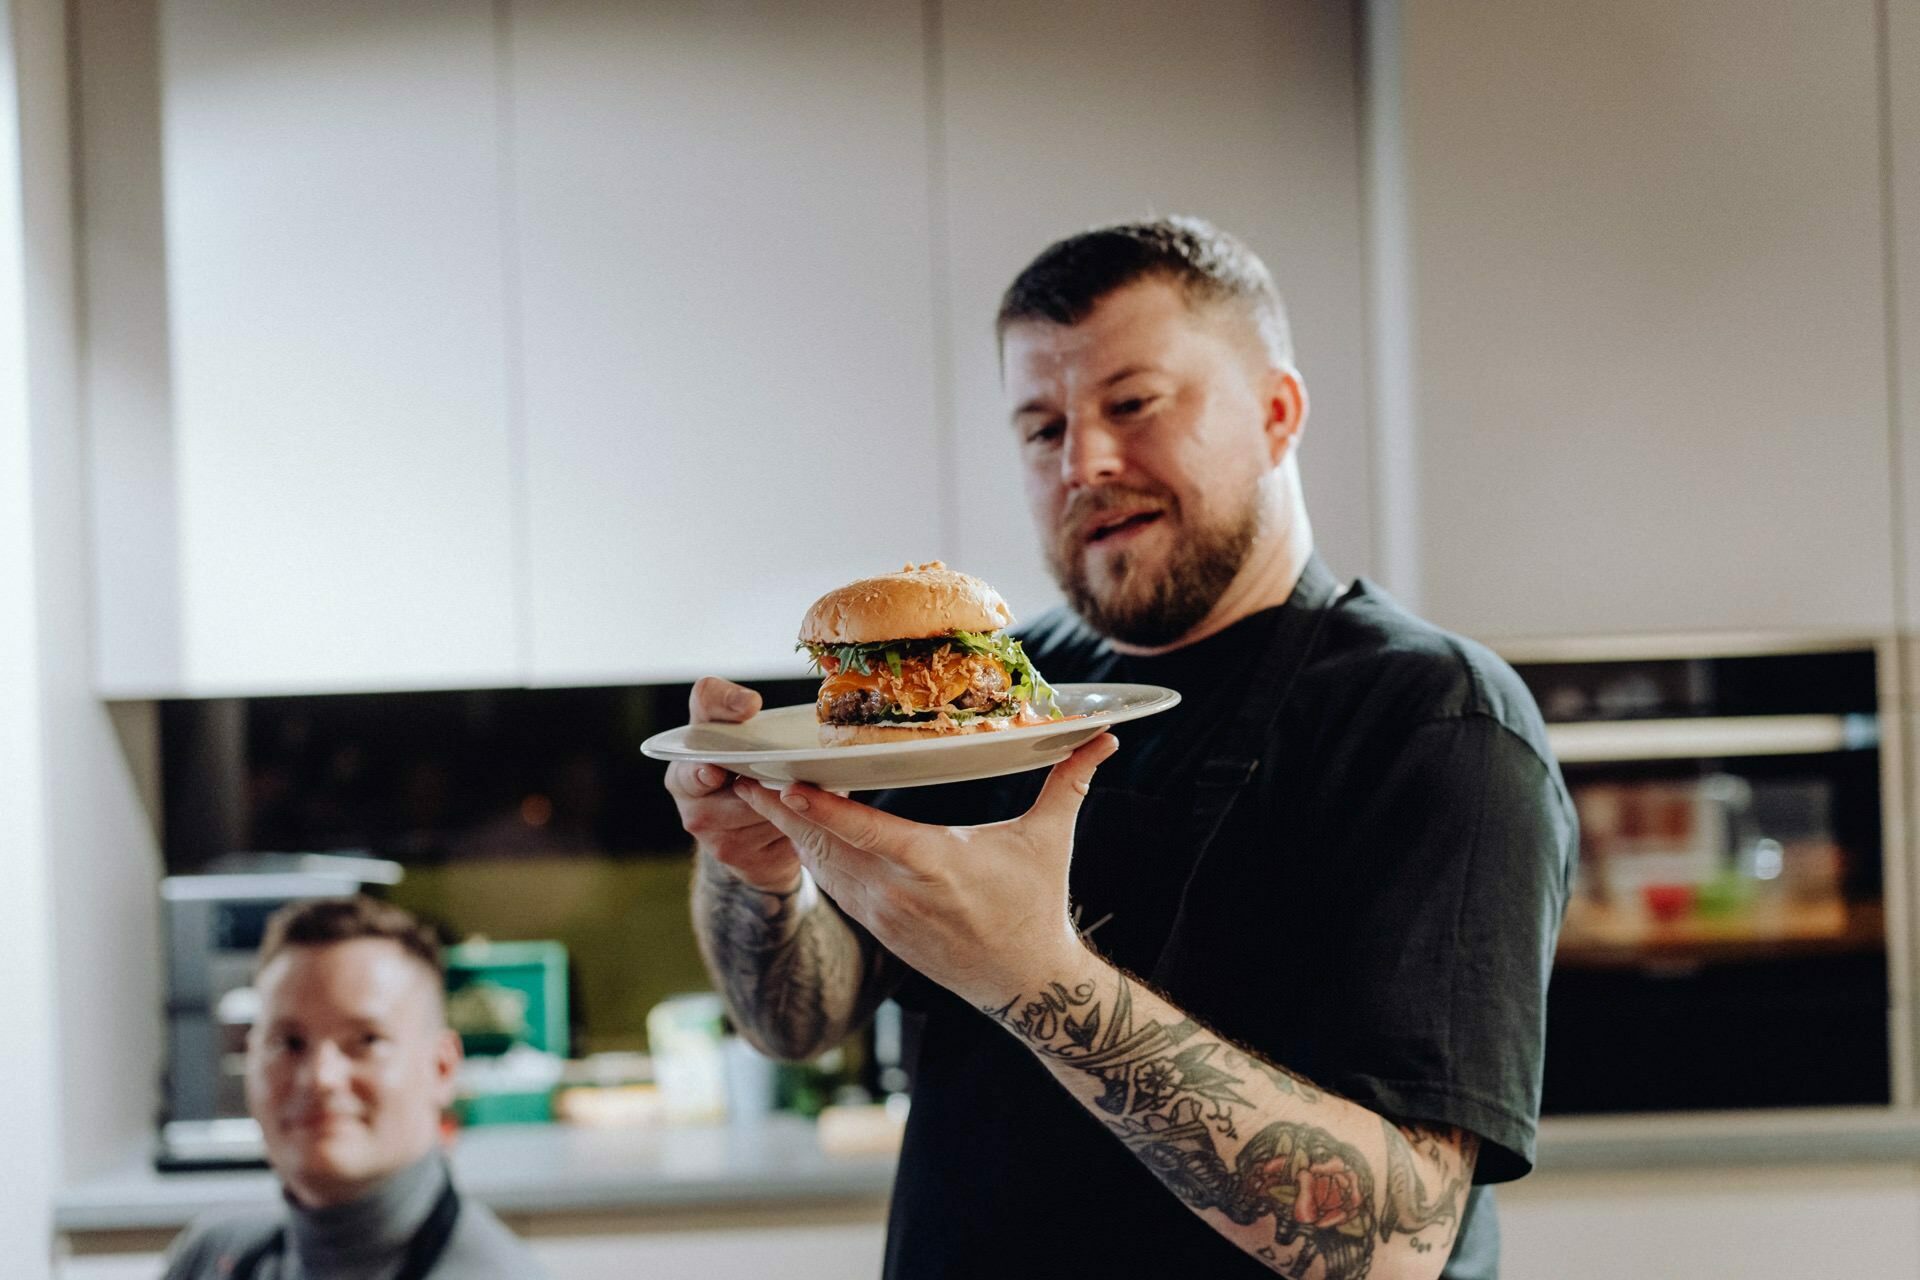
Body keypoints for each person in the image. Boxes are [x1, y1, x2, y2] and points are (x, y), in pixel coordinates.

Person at [672, 217, 1574, 1280]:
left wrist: (1031, 969)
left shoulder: (1435, 720)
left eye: (1133, 403)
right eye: (1042, 428)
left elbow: (1394, 1238)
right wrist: (762, 867)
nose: (1085, 461)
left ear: (1277, 414)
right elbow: (796, 1016)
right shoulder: (984, 696)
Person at [162, 895, 543, 1279]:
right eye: (289, 1043)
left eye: (366, 1040)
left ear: (442, 1067)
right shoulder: (210, 1260)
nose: (320, 1077)